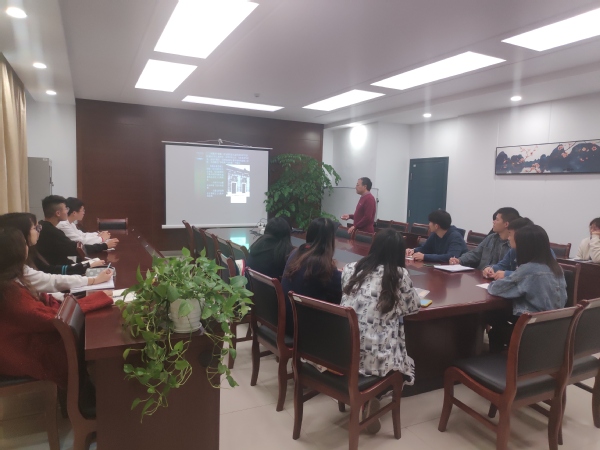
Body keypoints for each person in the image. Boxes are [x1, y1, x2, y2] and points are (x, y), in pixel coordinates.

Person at [341, 229, 420, 434]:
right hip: (375, 359)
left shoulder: (350, 268)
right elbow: (413, 307)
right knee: (399, 349)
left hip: (343, 351)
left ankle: (367, 398)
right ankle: (373, 395)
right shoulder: (399, 275)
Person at [0, 227, 69, 387]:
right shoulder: (10, 292)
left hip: (15, 347)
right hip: (17, 355)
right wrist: (85, 303)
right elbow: (46, 319)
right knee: (75, 342)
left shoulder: (10, 280)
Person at [486, 224, 567, 352]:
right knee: (499, 316)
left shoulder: (529, 269)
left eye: (513, 237)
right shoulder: (556, 268)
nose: (509, 238)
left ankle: (500, 361)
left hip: (532, 329)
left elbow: (496, 288)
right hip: (555, 326)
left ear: (524, 245)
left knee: (494, 324)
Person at [0, 212, 112, 293]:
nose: (39, 231)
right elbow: (50, 279)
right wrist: (92, 277)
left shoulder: (29, 252)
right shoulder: (14, 268)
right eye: (35, 228)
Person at [282, 217, 342, 334]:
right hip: (305, 330)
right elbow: (342, 287)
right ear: (330, 240)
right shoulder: (321, 265)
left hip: (286, 321)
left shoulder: (296, 253)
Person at [36, 195, 118, 265]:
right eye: (66, 209)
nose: (67, 211)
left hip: (63, 265)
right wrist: (104, 244)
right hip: (59, 271)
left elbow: (79, 239)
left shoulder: (45, 226)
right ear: (58, 213)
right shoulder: (53, 231)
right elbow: (77, 248)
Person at [449, 207, 519, 269]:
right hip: (482, 275)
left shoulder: (514, 244)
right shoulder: (491, 238)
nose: (493, 222)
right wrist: (459, 260)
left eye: (497, 220)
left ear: (506, 224)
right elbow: (475, 254)